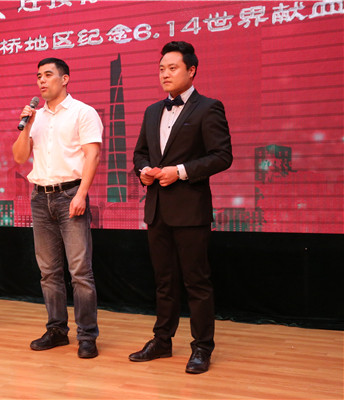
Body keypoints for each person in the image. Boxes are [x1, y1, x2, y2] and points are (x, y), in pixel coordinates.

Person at [131, 41, 233, 374]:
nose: (165, 74)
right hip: (157, 209)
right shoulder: (152, 111)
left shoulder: (209, 107)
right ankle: (162, 340)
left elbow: (222, 156)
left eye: (172, 68)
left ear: (191, 70)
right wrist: (143, 171)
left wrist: (181, 171)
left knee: (196, 282)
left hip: (190, 210)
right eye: (161, 68)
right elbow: (140, 154)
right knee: (164, 281)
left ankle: (202, 347)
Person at [12, 57, 103, 359]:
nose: (41, 80)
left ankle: (87, 335)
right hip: (40, 198)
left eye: (48, 75)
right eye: (38, 75)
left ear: (64, 79)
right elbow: (19, 157)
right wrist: (26, 126)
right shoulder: (35, 117)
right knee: (49, 272)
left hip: (71, 194)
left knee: (80, 271)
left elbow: (92, 156)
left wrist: (82, 195)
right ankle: (56, 330)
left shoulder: (82, 112)